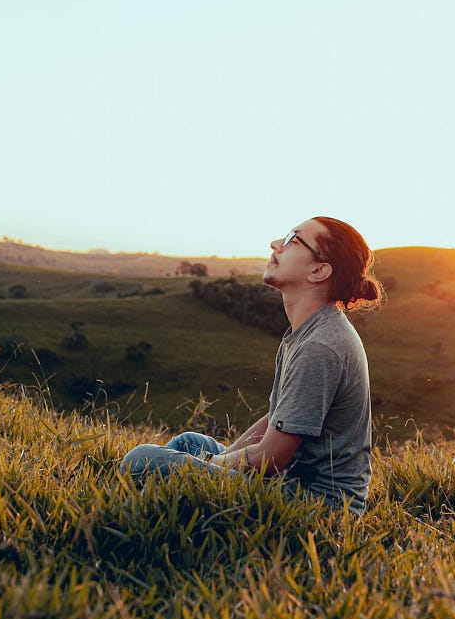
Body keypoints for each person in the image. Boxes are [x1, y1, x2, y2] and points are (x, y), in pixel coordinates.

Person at [120, 217, 383, 515]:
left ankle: (161, 507)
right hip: (292, 483)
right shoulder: (312, 331)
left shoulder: (318, 346)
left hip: (318, 505)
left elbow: (270, 459)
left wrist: (212, 464)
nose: (275, 244)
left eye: (292, 239)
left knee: (140, 460)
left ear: (319, 271)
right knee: (190, 442)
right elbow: (277, 419)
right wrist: (216, 461)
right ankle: (165, 504)